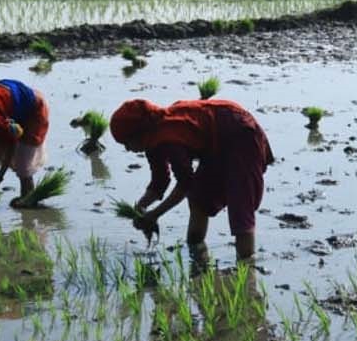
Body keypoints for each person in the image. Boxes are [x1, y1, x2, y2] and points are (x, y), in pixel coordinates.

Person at [109, 98, 273, 262]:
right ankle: (197, 254)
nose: (127, 149)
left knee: (240, 205)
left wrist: (155, 215)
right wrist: (141, 206)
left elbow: (185, 184)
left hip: (241, 134)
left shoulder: (169, 137)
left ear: (139, 133)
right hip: (215, 143)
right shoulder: (152, 140)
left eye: (126, 142)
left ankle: (247, 266)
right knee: (198, 197)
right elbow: (160, 181)